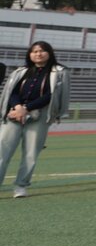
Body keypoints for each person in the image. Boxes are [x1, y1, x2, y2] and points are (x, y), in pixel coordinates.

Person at [0, 41, 70, 198]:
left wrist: (27, 108)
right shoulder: (21, 71)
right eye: (34, 51)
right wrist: (18, 107)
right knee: (2, 151)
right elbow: (11, 91)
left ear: (49, 53)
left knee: (30, 153)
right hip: (14, 114)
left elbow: (53, 94)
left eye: (42, 51)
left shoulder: (59, 72)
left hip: (39, 115)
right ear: (29, 54)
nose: (38, 54)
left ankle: (21, 186)